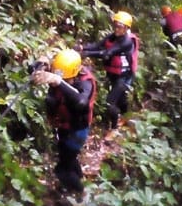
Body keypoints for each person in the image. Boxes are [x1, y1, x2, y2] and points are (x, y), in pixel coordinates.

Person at [31, 49, 96, 196]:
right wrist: (40, 65)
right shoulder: (62, 71)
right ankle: (78, 178)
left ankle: (78, 193)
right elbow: (34, 70)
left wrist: (58, 81)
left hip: (77, 129)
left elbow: (81, 102)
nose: (64, 81)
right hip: (63, 126)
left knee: (62, 169)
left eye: (67, 79)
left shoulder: (85, 83)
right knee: (68, 157)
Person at [80, 11, 139, 141]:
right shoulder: (113, 36)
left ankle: (114, 128)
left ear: (126, 28)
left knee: (110, 102)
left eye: (120, 26)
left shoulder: (126, 42)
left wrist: (87, 54)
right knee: (121, 98)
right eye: (116, 25)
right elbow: (97, 45)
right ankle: (125, 117)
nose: (117, 29)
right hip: (113, 73)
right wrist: (82, 48)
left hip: (123, 76)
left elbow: (107, 53)